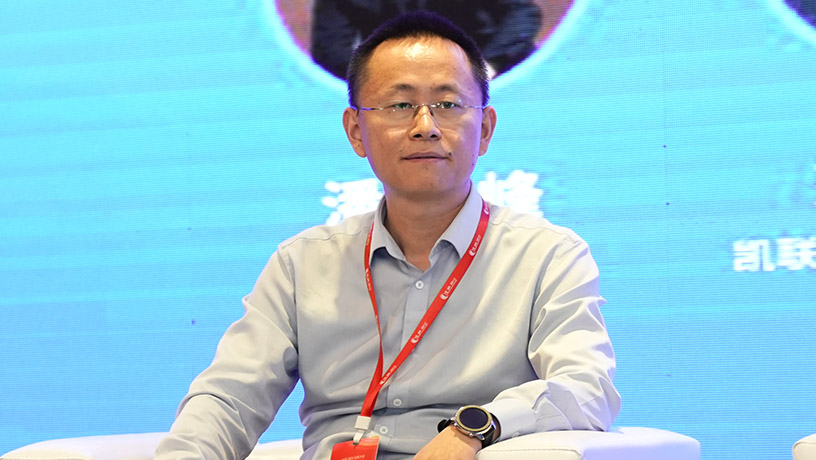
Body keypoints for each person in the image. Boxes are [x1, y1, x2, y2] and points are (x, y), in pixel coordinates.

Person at [155, 10, 620, 460]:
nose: (425, 127)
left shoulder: (547, 255)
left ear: (484, 129)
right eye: (400, 105)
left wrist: (477, 427)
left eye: (447, 104)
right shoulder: (302, 263)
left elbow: (587, 388)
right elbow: (230, 398)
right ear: (356, 131)